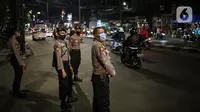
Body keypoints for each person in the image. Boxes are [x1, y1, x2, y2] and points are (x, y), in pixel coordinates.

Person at [91, 27, 116, 112]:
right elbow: (105, 62)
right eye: (100, 33)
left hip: (97, 76)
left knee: (98, 99)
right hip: (101, 77)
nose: (103, 35)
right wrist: (112, 72)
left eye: (103, 32)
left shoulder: (98, 44)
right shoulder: (98, 46)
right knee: (103, 100)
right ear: (95, 35)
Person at [53, 28, 77, 110]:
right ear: (58, 34)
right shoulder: (57, 44)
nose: (63, 34)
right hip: (62, 65)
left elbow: (68, 55)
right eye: (61, 33)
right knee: (64, 85)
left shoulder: (65, 42)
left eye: (64, 32)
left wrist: (70, 65)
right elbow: (58, 58)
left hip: (67, 64)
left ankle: (68, 99)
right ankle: (63, 103)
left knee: (69, 82)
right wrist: (62, 70)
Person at [7, 27, 26, 98]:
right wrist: (22, 63)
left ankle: (15, 88)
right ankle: (16, 92)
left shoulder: (12, 39)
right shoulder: (13, 40)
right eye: (17, 31)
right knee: (18, 75)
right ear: (15, 32)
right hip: (15, 59)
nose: (18, 32)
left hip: (14, 58)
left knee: (18, 74)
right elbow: (16, 53)